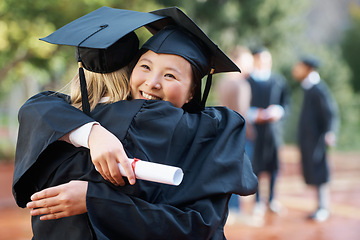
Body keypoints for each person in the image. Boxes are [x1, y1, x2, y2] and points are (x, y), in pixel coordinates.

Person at [13, 7, 258, 240]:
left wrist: (94, 200)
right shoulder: (97, 114)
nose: (152, 82)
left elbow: (197, 228)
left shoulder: (212, 136)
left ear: (192, 92)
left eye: (170, 75)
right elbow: (41, 105)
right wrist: (94, 134)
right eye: (145, 67)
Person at [292, 56, 339, 222]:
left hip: (317, 139)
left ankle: (323, 207)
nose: (296, 69)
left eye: (299, 66)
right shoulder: (309, 88)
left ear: (308, 68)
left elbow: (330, 112)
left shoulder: (319, 89)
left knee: (320, 170)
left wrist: (330, 132)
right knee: (314, 170)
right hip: (309, 139)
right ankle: (320, 206)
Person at [215, 46, 257, 224]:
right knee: (240, 173)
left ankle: (230, 210)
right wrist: (252, 133)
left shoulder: (222, 82)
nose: (251, 66)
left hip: (224, 132)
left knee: (228, 172)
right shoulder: (241, 84)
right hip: (241, 135)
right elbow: (242, 114)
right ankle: (236, 212)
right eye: (248, 62)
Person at [246, 47, 290, 216]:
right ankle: (257, 201)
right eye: (260, 59)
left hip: (273, 132)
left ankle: (271, 199)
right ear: (255, 60)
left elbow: (286, 103)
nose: (263, 63)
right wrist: (254, 114)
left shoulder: (278, 80)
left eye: (266, 60)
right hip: (254, 131)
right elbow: (242, 105)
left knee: (273, 166)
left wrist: (278, 111)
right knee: (255, 167)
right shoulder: (248, 81)